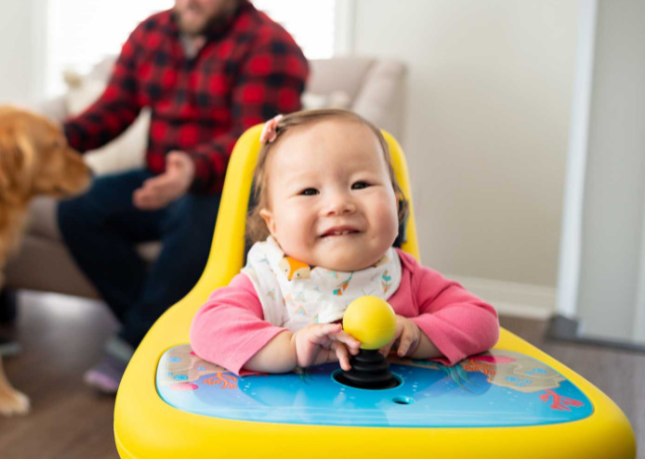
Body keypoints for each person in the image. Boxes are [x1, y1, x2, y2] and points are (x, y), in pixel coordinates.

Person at [57, 0, 309, 393]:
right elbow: (114, 109)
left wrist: (192, 168)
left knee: (201, 217)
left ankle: (134, 341)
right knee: (77, 209)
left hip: (229, 193)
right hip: (158, 182)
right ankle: (162, 332)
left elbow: (251, 142)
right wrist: (52, 140)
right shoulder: (152, 33)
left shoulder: (271, 46)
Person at [190, 110, 500, 374]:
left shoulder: (406, 276)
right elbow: (209, 330)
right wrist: (291, 347)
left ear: (397, 202)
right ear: (274, 225)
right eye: (309, 191)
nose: (339, 204)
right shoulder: (269, 281)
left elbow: (481, 321)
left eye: (360, 184)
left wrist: (418, 335)